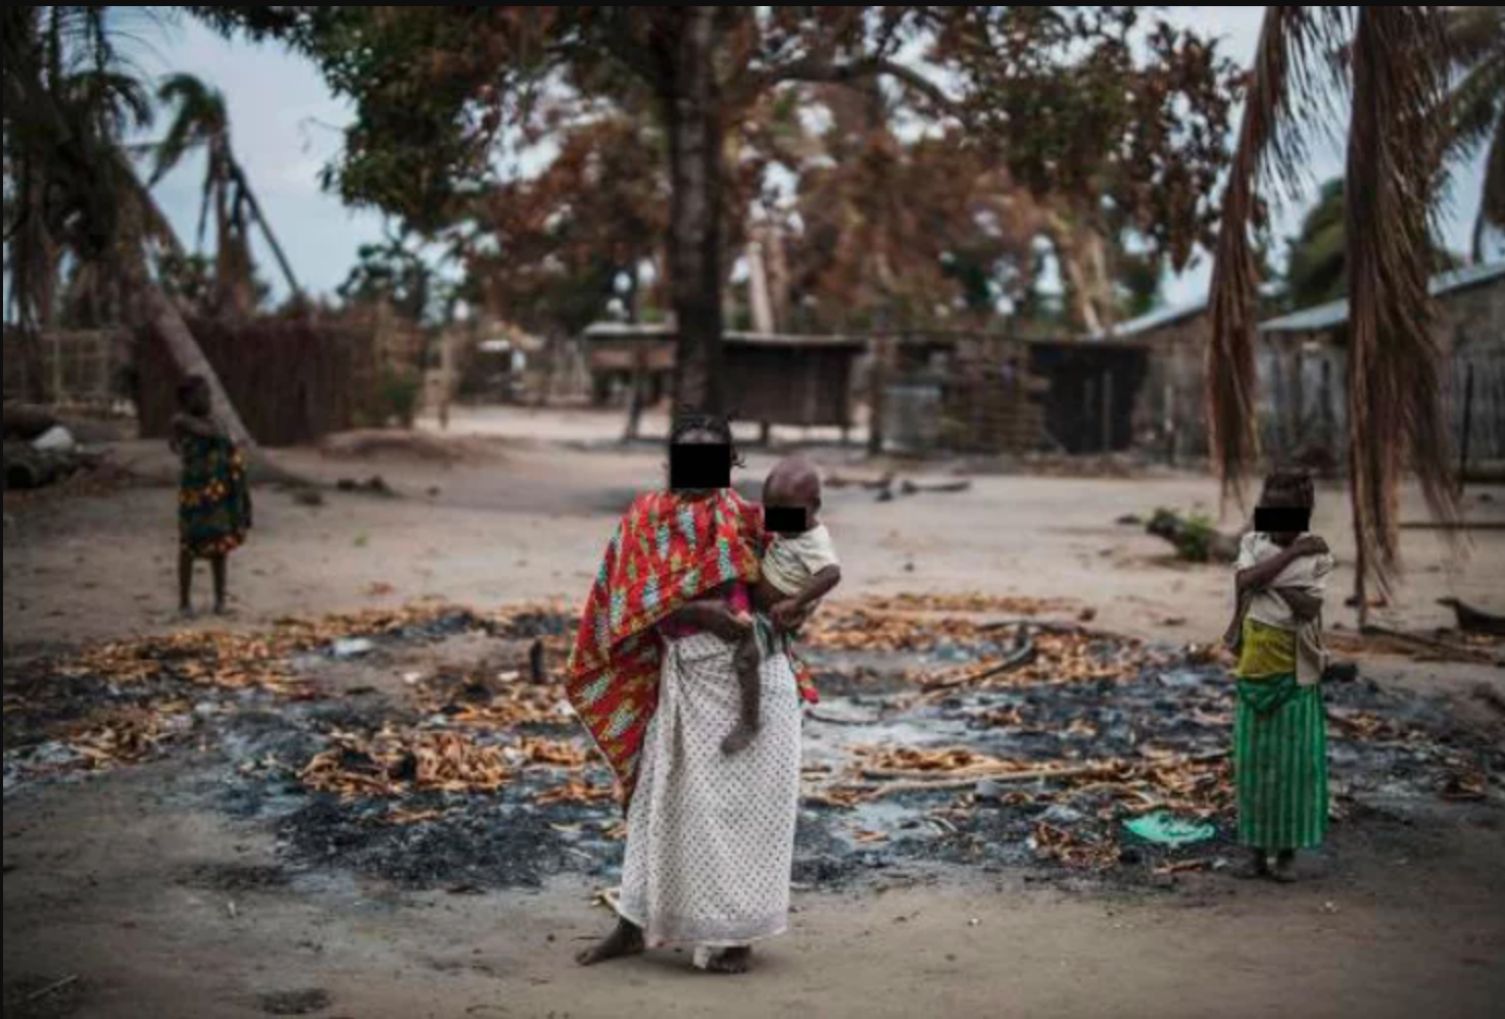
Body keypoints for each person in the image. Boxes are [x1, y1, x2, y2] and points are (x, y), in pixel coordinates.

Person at [567, 411, 811, 974]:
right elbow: (624, 607)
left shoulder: (750, 519)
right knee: (660, 803)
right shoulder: (644, 520)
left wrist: (787, 603)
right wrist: (701, 610)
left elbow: (800, 574)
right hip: (687, 679)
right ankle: (631, 924)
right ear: (668, 464)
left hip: (757, 680)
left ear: (731, 464)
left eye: (712, 460)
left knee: (750, 813)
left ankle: (734, 937)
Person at [1222, 468, 1335, 881]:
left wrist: (1266, 582)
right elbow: (1244, 580)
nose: (1273, 519)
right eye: (1268, 510)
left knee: (1293, 771)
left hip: (1296, 680)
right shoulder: (1254, 542)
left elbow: (1308, 609)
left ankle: (1286, 855)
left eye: (1283, 512)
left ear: (1303, 513)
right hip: (1252, 676)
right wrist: (1288, 561)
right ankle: (1254, 854)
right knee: (1252, 768)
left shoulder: (1320, 556)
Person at [718, 457, 840, 755]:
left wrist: (796, 602)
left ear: (815, 505)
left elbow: (831, 573)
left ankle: (750, 720)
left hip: (774, 618)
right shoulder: (787, 527)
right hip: (760, 603)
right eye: (772, 513)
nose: (777, 523)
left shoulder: (815, 541)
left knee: (746, 658)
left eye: (786, 516)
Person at [169, 375, 251, 616]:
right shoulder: (182, 421)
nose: (208, 399)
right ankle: (184, 602)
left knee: (219, 547)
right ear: (186, 400)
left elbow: (224, 438)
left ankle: (220, 601)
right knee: (188, 546)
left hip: (217, 493)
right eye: (202, 395)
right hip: (194, 494)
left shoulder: (212, 421)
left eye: (208, 394)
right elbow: (200, 437)